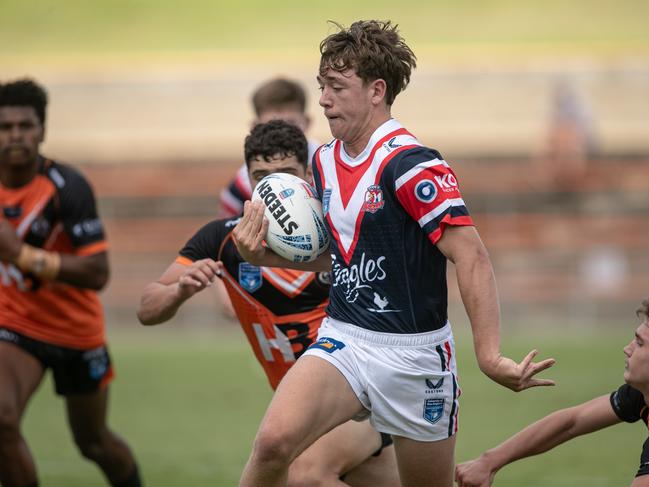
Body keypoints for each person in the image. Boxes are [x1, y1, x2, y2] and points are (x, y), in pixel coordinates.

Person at [233, 20, 555, 487]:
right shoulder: (322, 160)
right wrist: (260, 255)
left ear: (376, 90)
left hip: (416, 358)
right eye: (321, 85)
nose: (323, 99)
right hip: (345, 338)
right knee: (272, 444)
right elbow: (340, 256)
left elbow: (471, 257)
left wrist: (488, 356)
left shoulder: (412, 165)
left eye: (337, 87)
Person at [137, 119, 400, 486]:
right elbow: (147, 308)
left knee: (301, 476)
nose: (274, 189)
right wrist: (179, 290)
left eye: (286, 174)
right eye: (262, 177)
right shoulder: (221, 239)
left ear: (308, 174)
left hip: (358, 398)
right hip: (298, 406)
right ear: (247, 178)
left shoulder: (339, 232)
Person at [0, 79, 141, 487]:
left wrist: (22, 255)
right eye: (5, 127)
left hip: (76, 332)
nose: (15, 136)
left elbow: (97, 273)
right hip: (16, 325)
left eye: (25, 126)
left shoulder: (67, 187)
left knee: (93, 442)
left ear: (42, 130)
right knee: (2, 420)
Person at [455, 298, 649, 487]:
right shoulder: (639, 395)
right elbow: (572, 422)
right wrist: (489, 462)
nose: (627, 349)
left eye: (640, 344)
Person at [218, 77, 320, 219]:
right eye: (271, 123)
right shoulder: (241, 186)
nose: (282, 130)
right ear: (254, 126)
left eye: (291, 123)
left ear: (307, 122)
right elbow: (229, 232)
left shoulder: (328, 164)